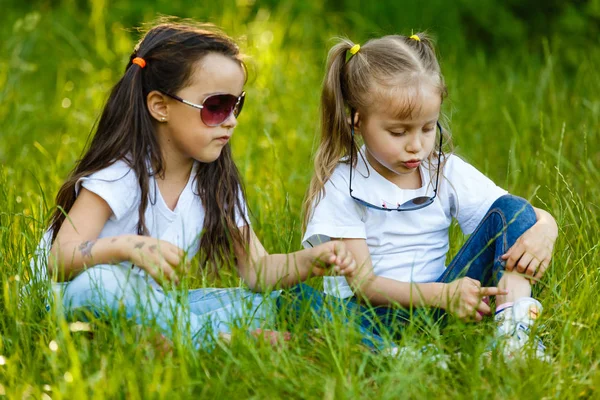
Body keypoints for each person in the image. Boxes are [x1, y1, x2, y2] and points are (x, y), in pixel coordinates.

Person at [32, 21, 356, 349]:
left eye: (236, 105)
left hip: (153, 306)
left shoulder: (214, 182)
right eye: (215, 107)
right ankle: (219, 340)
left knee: (262, 305)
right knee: (103, 283)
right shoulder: (121, 174)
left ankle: (170, 337)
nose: (231, 120)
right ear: (160, 106)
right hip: (74, 298)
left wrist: (311, 260)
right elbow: (60, 259)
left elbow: (258, 273)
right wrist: (127, 246)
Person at [296, 33, 558, 359]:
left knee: (514, 209)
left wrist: (547, 226)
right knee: (303, 304)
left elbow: (512, 215)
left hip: (440, 303)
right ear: (357, 122)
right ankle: (407, 354)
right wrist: (443, 295)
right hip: (372, 313)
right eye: (398, 132)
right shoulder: (344, 184)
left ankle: (513, 333)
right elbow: (364, 286)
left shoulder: (442, 170)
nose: (416, 145)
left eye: (427, 127)